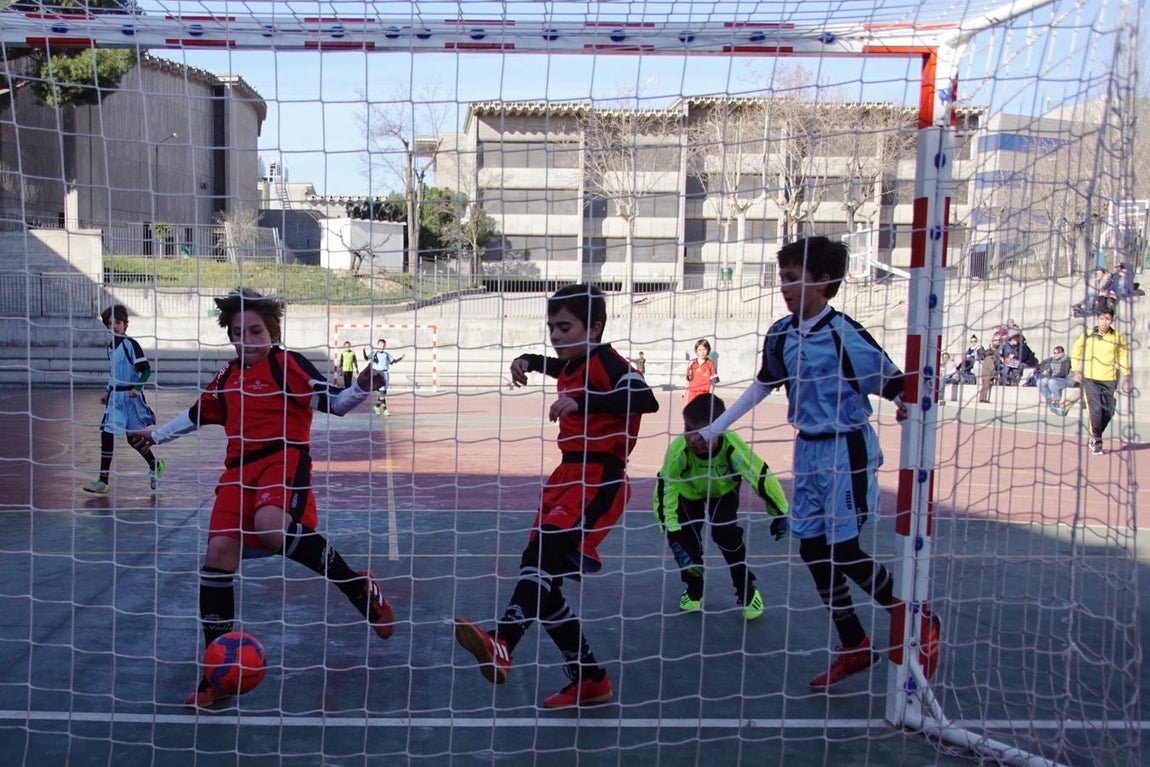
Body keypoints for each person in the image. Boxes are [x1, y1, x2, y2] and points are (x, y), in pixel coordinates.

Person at [127, 288, 395, 708]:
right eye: (237, 332)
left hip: (282, 458)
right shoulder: (228, 375)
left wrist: (360, 386)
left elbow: (337, 403)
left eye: (254, 331)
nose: (245, 340)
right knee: (217, 555)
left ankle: (356, 586)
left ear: (273, 331)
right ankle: (215, 674)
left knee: (272, 528)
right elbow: (199, 414)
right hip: (237, 471)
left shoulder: (286, 364)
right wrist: (155, 436)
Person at [691, 236, 939, 689]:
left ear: (825, 281)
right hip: (807, 452)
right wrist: (712, 428)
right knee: (810, 547)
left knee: (843, 550)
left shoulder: (845, 334)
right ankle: (854, 643)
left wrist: (908, 402)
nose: (784, 286)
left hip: (847, 450)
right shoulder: (782, 334)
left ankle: (917, 617)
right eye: (782, 277)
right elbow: (761, 386)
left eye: (793, 277)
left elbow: (894, 383)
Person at [453, 284, 660, 709]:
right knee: (540, 577)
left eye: (565, 327)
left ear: (595, 328)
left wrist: (582, 402)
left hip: (598, 478)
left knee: (541, 564)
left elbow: (645, 397)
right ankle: (590, 678)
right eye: (551, 327)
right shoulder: (572, 363)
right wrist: (528, 360)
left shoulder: (607, 361)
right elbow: (557, 365)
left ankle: (503, 641)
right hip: (566, 476)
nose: (556, 335)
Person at [653, 393, 789, 620]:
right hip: (689, 493)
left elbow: (761, 476)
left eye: (701, 432)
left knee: (725, 533)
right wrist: (670, 528)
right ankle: (694, 590)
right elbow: (666, 488)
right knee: (687, 545)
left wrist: (780, 512)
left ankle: (747, 591)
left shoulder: (732, 447)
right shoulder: (679, 451)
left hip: (723, 490)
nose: (692, 438)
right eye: (688, 429)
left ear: (720, 430)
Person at [82, 304, 165, 494]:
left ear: (125, 324)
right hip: (115, 398)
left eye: (118, 323)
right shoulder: (110, 348)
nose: (115, 326)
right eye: (110, 324)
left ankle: (154, 464)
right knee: (107, 433)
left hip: (131, 398)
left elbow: (146, 370)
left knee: (133, 438)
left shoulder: (131, 345)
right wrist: (108, 391)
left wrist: (137, 387)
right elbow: (115, 374)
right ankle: (103, 481)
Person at [1069, 309, 1130, 455]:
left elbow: (1122, 356)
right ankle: (1097, 441)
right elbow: (1076, 352)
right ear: (1097, 319)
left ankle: (1094, 434)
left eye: (1108, 319)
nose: (1104, 322)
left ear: (1112, 320)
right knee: (1095, 410)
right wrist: (1076, 370)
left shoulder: (1118, 337)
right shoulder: (1088, 334)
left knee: (1109, 411)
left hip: (1110, 379)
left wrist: (1127, 375)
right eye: (1102, 318)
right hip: (1090, 378)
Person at [363, 338, 404, 416]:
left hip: (385, 374)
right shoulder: (374, 353)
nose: (382, 346)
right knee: (382, 392)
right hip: (378, 374)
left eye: (383, 345)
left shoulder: (386, 355)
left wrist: (401, 358)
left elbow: (393, 361)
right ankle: (385, 410)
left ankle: (377, 406)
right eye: (381, 345)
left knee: (383, 393)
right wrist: (363, 350)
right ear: (378, 345)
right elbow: (366, 358)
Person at [1036, 346, 1073, 415]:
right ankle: (1050, 402)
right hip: (1056, 379)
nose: (1056, 354)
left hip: (1067, 380)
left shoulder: (1067, 360)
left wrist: (1049, 378)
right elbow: (1049, 371)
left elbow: (1063, 373)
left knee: (1052, 382)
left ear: (1062, 353)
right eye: (1054, 353)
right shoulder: (1053, 360)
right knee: (1039, 382)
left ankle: (1057, 403)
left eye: (1058, 353)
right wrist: (1046, 375)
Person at [684, 339, 717, 403]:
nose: (702, 352)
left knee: (702, 412)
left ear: (708, 350)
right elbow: (688, 379)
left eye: (704, 349)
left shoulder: (710, 364)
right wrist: (685, 391)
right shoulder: (691, 363)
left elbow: (713, 382)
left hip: (704, 394)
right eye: (699, 349)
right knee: (691, 412)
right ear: (696, 350)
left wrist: (710, 395)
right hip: (692, 393)